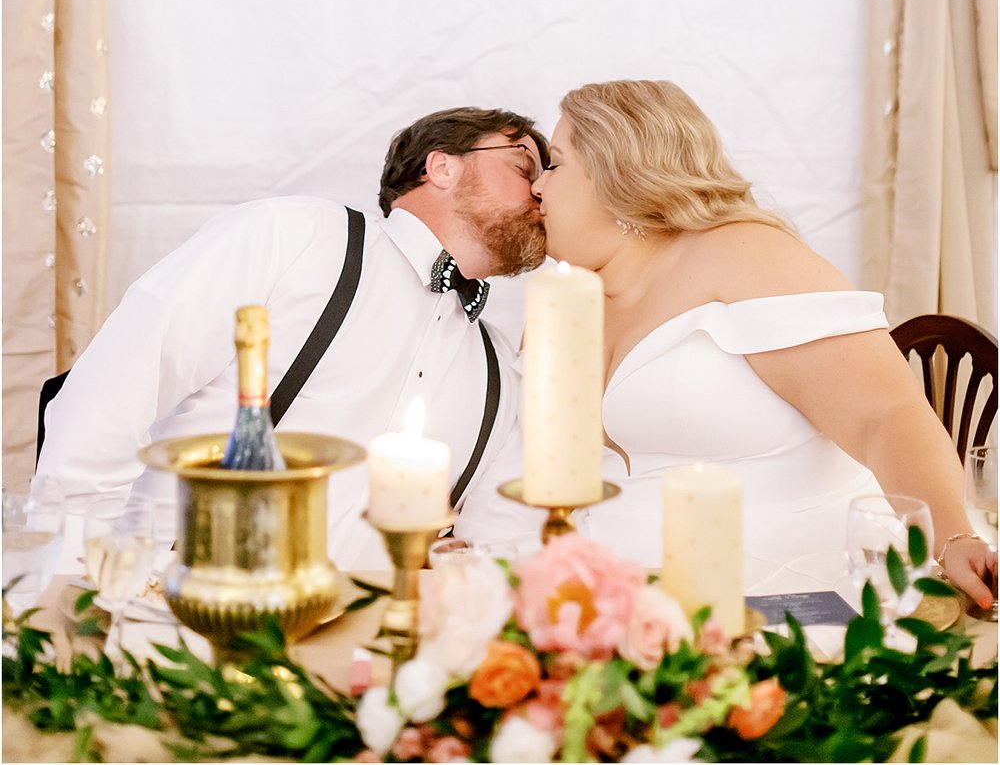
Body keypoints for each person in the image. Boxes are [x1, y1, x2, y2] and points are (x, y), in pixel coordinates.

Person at [527, 78, 995, 609]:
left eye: (555, 164)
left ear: (617, 172)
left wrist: (952, 536)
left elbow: (884, 414)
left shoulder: (743, 253)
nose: (537, 187)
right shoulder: (568, 299)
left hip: (793, 597)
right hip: (624, 599)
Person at [36, 106, 548, 568]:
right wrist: (75, 577)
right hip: (168, 620)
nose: (541, 190)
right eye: (525, 167)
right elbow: (112, 393)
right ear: (441, 167)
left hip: (345, 659)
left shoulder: (502, 367)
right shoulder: (296, 237)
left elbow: (480, 545)